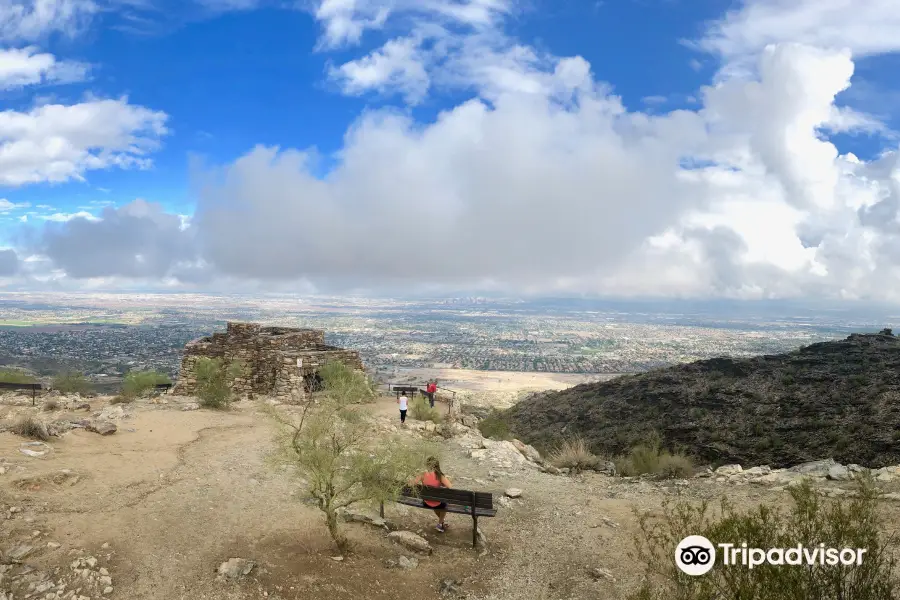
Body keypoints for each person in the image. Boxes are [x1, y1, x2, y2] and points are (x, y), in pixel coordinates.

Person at [412, 456, 452, 532]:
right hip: (437, 502)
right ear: (437, 465)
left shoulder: (422, 474)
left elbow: (412, 483)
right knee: (444, 504)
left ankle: (441, 523)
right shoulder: (440, 476)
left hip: (426, 502)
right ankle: (440, 524)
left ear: (427, 464)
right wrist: (441, 485)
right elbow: (450, 486)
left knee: (434, 501)